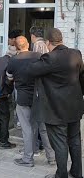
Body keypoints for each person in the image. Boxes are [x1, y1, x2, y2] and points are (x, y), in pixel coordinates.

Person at [25, 28, 84, 178]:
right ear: (62, 40)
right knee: (75, 140)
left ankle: (61, 175)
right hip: (74, 107)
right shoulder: (76, 54)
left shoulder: (49, 58)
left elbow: (30, 70)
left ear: (48, 42)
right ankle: (77, 173)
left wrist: (39, 55)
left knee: (60, 143)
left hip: (55, 110)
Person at [6, 36, 41, 167]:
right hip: (37, 96)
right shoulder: (39, 56)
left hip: (22, 97)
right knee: (35, 126)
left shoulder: (13, 60)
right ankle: (37, 151)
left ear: (16, 46)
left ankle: (28, 158)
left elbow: (9, 77)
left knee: (26, 128)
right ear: (28, 44)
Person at [29, 26, 56, 164]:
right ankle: (48, 155)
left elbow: (37, 68)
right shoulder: (46, 46)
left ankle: (41, 152)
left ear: (33, 35)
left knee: (40, 125)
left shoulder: (37, 46)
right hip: (46, 90)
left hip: (39, 91)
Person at [0, 46, 17, 149]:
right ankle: (3, 141)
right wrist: (9, 90)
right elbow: (8, 80)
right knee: (4, 118)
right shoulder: (11, 64)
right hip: (2, 95)